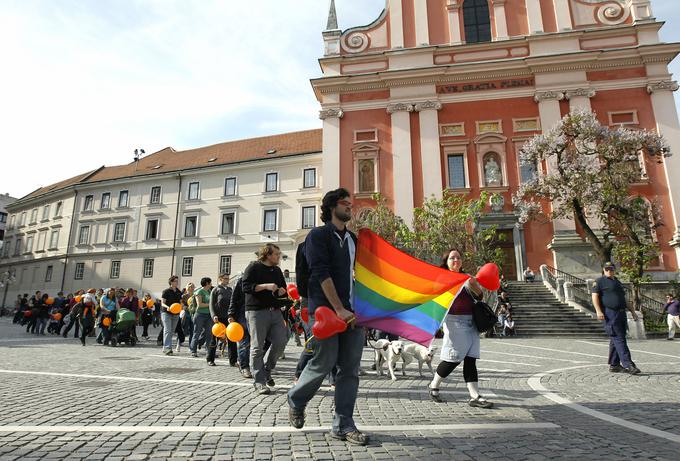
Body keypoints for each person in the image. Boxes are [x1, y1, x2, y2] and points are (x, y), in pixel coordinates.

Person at [287, 188, 369, 446]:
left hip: (353, 312)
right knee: (324, 362)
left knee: (349, 370)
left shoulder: (353, 239)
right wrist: (338, 308)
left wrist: (362, 310)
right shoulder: (318, 236)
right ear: (332, 207)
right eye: (346, 203)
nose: (350, 207)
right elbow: (320, 273)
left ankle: (343, 424)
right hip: (323, 310)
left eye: (350, 204)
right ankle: (297, 399)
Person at [428, 249, 493, 409]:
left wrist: (474, 286)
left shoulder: (467, 278)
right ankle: (433, 385)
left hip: (471, 322)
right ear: (446, 261)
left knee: (471, 359)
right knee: (453, 358)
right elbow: (436, 300)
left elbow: (479, 296)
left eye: (458, 257)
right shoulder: (442, 279)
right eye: (452, 258)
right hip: (454, 322)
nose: (455, 260)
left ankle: (474, 396)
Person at [241, 243, 290, 395]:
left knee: (282, 340)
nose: (278, 256)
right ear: (268, 255)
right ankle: (259, 382)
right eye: (276, 254)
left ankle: (267, 370)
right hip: (256, 312)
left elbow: (283, 290)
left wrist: (282, 291)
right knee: (257, 347)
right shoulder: (253, 267)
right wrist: (265, 286)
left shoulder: (277, 270)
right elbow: (246, 287)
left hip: (275, 311)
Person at [591, 262, 641, 374]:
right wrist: (598, 311)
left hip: (621, 313)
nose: (609, 270)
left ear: (614, 270)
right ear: (603, 270)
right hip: (610, 313)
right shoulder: (599, 282)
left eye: (611, 269)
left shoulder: (617, 282)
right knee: (619, 338)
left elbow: (624, 298)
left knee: (616, 338)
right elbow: (594, 297)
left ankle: (614, 365)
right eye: (607, 269)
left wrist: (632, 311)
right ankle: (629, 365)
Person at [209, 274, 237, 366]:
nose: (227, 280)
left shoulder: (230, 290)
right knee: (214, 339)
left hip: (228, 318)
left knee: (231, 339)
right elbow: (211, 305)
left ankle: (233, 360)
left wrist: (231, 315)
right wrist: (214, 316)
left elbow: (232, 304)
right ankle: (210, 359)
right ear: (220, 279)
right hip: (218, 318)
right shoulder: (215, 290)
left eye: (228, 279)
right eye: (225, 279)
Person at [228, 276, 252, 378]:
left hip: (258, 313)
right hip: (242, 312)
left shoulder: (263, 278)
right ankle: (244, 366)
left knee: (256, 343)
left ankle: (259, 366)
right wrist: (231, 314)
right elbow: (234, 297)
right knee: (244, 341)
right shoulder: (242, 280)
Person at [190, 278, 213, 359]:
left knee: (209, 334)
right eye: (210, 283)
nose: (211, 284)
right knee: (197, 333)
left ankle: (209, 351)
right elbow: (200, 305)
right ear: (207, 283)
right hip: (200, 314)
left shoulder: (209, 291)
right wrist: (211, 304)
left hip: (208, 315)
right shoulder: (199, 292)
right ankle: (193, 350)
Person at [161, 276, 183, 355]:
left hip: (176, 314)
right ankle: (168, 348)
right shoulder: (166, 291)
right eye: (175, 281)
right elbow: (162, 303)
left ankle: (165, 347)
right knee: (167, 330)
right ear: (171, 282)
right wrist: (168, 307)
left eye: (177, 281)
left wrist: (182, 306)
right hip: (166, 313)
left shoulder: (179, 292)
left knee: (171, 331)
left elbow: (180, 302)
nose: (177, 282)